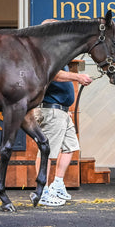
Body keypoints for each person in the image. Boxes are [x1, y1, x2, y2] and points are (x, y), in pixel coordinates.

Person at [34, 18, 93, 206]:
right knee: (47, 152)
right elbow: (53, 75)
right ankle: (41, 191)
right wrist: (78, 77)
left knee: (70, 148)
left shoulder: (56, 52)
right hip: (51, 109)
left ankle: (57, 184)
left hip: (61, 110)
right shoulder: (44, 52)